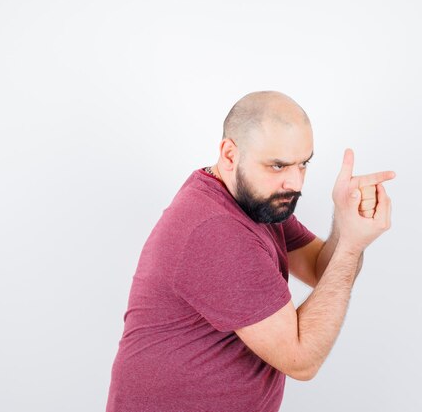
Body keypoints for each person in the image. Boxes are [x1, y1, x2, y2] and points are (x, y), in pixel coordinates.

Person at [105, 91, 395, 412]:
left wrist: (345, 218)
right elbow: (301, 360)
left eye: (303, 164)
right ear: (230, 155)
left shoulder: (256, 201)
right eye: (277, 165)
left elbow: (319, 271)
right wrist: (352, 245)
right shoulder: (214, 228)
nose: (295, 183)